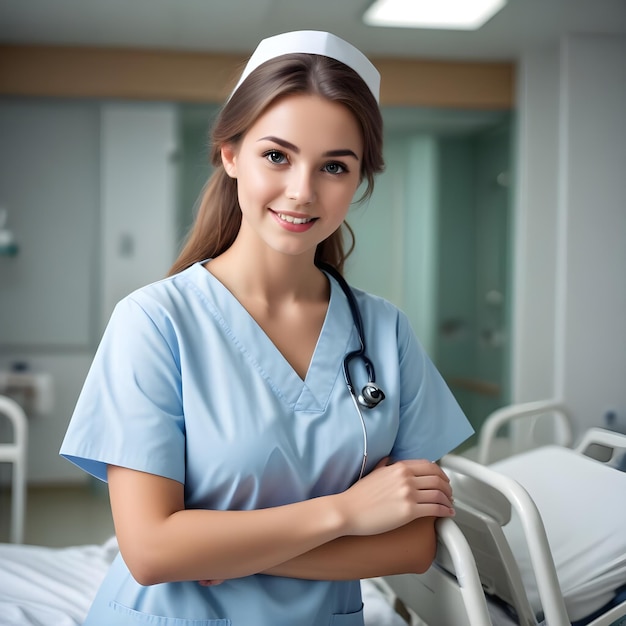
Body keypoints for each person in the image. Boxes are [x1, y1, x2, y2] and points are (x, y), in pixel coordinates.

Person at [60, 30, 473, 626]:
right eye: (276, 156)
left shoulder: (384, 331)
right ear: (230, 155)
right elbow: (151, 553)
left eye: (334, 166)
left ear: (358, 181)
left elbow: (412, 546)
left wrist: (226, 549)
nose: (302, 192)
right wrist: (347, 514)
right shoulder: (154, 323)